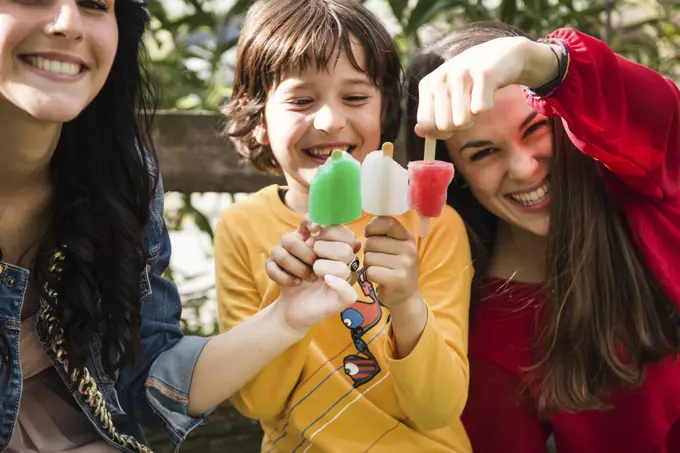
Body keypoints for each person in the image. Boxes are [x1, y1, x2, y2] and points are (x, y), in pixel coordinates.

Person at [0, 1, 359, 452]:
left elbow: (141, 378)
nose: (68, 24)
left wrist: (285, 316)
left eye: (95, 4)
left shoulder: (122, 176)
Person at [406, 21, 680, 453]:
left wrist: (535, 61)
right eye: (483, 152)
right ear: (456, 177)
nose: (523, 167)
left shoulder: (650, 189)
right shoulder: (480, 330)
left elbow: (664, 112)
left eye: (534, 128)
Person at [215, 0, 473, 451]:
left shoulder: (433, 225)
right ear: (257, 118)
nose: (331, 120)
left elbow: (439, 408)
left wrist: (409, 303)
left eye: (355, 97)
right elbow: (257, 402)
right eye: (300, 100)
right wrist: (285, 304)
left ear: (384, 108)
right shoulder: (242, 227)